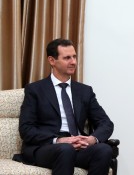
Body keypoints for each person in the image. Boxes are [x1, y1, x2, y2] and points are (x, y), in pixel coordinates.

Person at [17, 38, 114, 175]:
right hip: (48, 147)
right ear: (52, 60)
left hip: (78, 147)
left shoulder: (84, 91)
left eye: (74, 57)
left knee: (104, 150)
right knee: (65, 149)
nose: (73, 62)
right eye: (67, 58)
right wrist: (60, 140)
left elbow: (105, 123)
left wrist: (92, 139)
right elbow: (26, 129)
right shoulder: (35, 90)